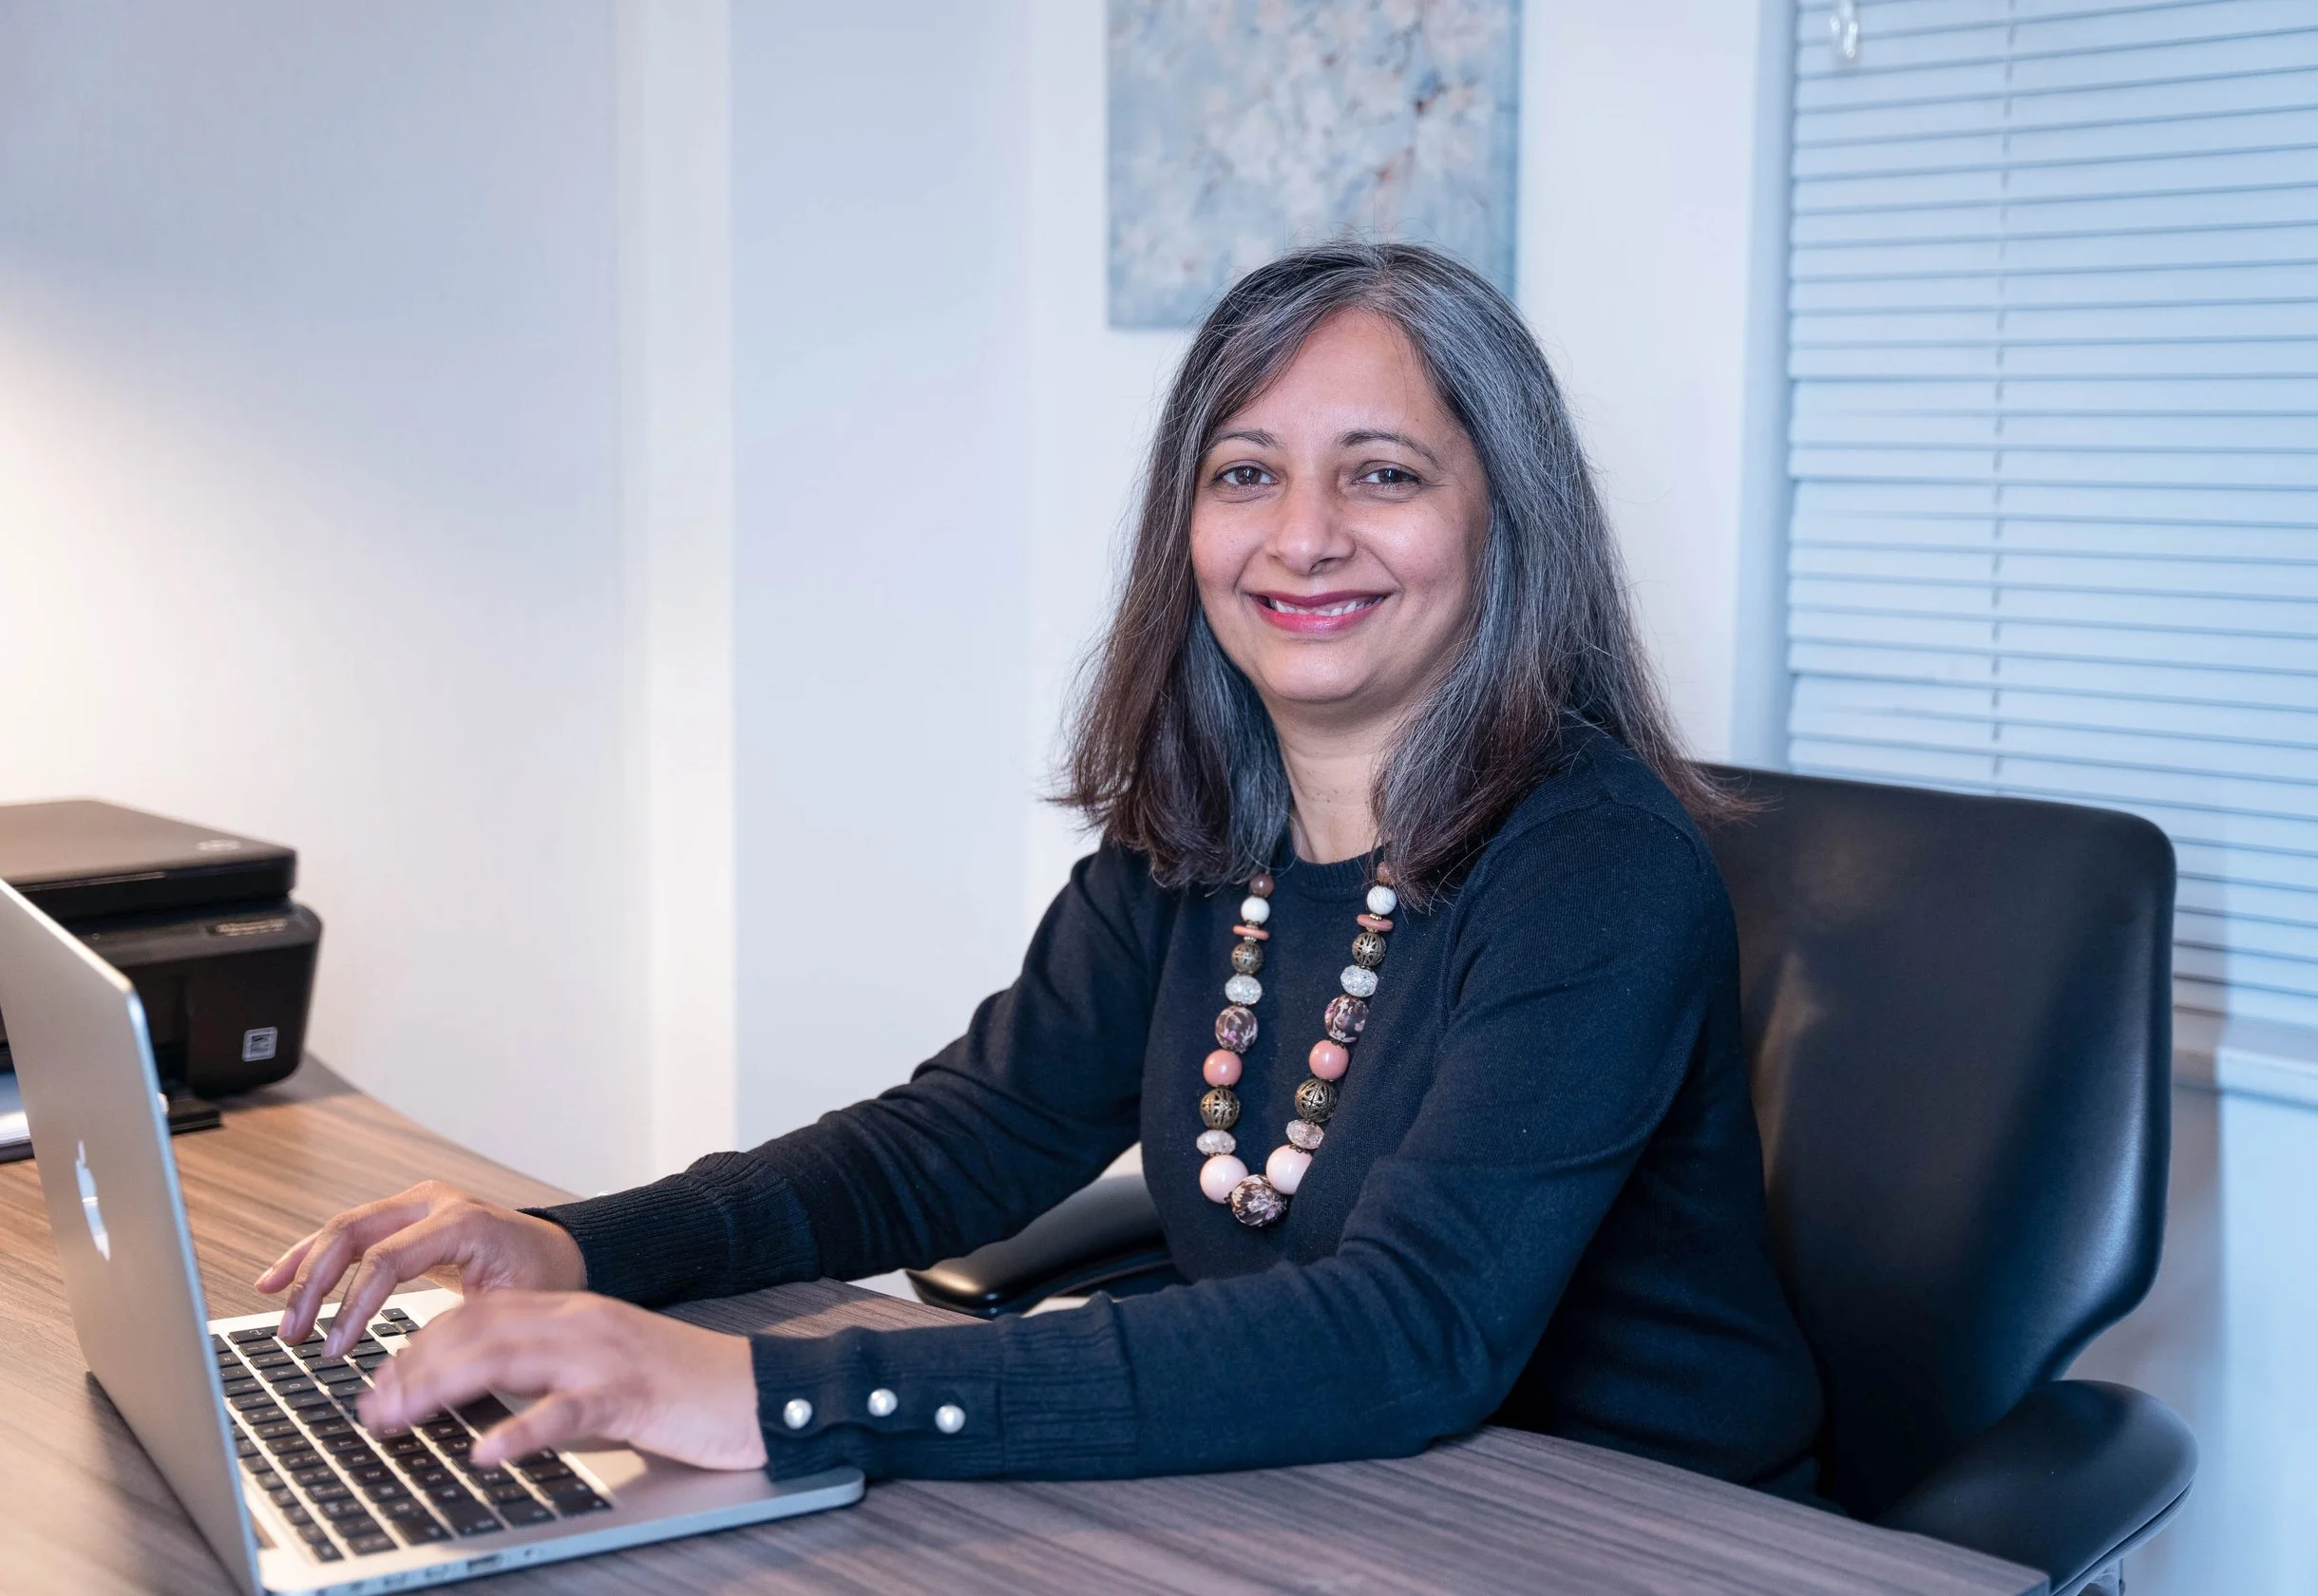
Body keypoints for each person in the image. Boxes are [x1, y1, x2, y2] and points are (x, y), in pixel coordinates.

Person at [259, 241, 1825, 1497]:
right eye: (1245, 474)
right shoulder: (1213, 831)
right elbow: (963, 1142)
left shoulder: (1597, 867)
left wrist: (781, 1393)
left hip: (1637, 1526)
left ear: (1508, 525)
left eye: (1385, 475)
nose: (1304, 536)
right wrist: (588, 1244)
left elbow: (1414, 1334)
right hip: (1333, 1501)